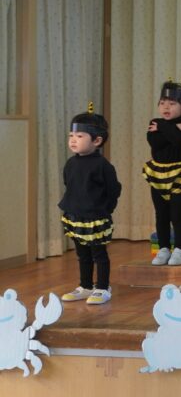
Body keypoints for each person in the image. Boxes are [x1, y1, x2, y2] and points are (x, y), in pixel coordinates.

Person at [60, 105, 121, 305]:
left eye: (79, 136)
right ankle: (85, 286)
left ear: (97, 141)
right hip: (75, 216)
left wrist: (105, 209)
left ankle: (102, 287)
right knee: (82, 254)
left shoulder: (103, 166)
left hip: (95, 218)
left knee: (99, 254)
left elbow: (114, 190)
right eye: (71, 135)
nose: (73, 140)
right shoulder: (70, 163)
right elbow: (68, 184)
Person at [144, 80, 181, 267]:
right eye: (162, 103)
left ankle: (180, 249)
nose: (166, 107)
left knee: (177, 214)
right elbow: (155, 142)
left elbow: (180, 142)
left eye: (172, 103)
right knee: (161, 214)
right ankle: (164, 248)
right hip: (157, 173)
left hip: (178, 174)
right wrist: (173, 129)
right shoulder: (154, 123)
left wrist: (167, 130)